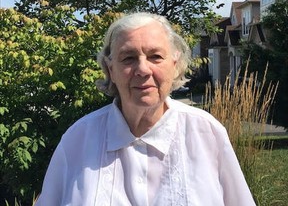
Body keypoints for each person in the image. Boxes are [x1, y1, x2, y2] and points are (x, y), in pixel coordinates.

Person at [36, 12, 256, 206]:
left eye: (155, 57)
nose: (142, 69)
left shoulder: (207, 133)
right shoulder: (78, 139)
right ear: (110, 69)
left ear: (175, 65)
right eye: (128, 58)